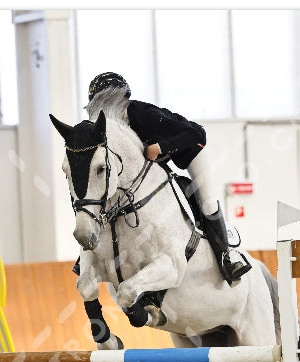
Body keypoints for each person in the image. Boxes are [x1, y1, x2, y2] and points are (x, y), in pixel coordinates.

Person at [85, 72, 251, 286]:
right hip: (157, 163)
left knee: (207, 200)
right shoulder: (112, 129)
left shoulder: (143, 113)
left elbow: (197, 135)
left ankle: (227, 257)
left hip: (189, 152)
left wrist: (162, 147)